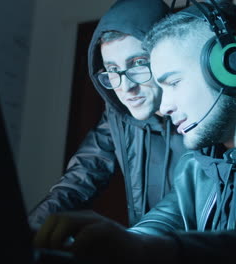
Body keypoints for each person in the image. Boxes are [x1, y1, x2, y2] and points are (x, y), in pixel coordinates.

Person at [33, 1, 236, 263]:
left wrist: (151, 251)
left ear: (233, 65)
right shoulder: (196, 165)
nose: (165, 105)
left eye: (172, 82)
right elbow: (154, 228)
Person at [28, 0, 186, 231]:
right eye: (113, 70)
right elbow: (79, 180)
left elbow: (187, 201)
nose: (126, 87)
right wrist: (30, 231)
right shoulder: (118, 117)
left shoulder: (201, 116)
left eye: (139, 63)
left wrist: (135, 242)